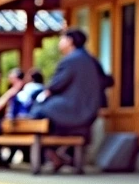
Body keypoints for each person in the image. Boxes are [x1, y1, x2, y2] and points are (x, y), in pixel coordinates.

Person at [32, 28, 112, 167]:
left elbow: (55, 86)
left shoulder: (69, 60)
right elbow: (108, 81)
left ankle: (52, 152)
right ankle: (62, 154)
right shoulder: (92, 60)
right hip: (91, 112)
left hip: (71, 110)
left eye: (62, 39)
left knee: (38, 111)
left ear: (70, 41)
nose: (60, 43)